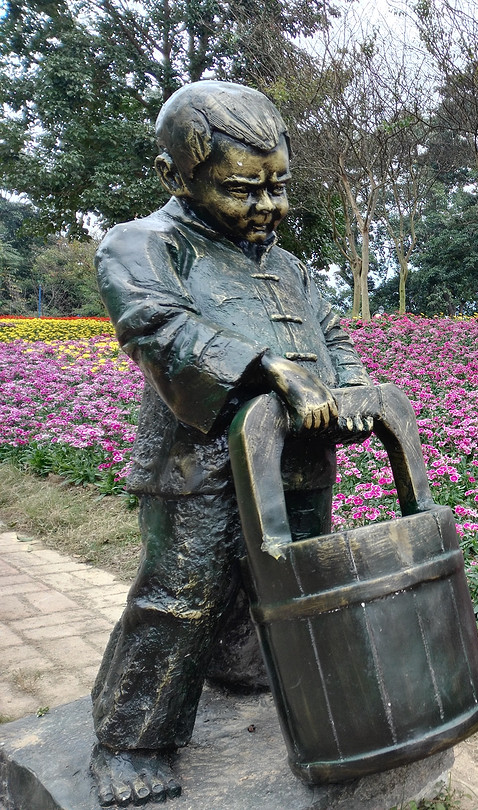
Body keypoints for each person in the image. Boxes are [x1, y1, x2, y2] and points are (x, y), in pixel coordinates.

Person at [91, 80, 372, 807]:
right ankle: (131, 740)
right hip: (198, 458)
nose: (268, 209)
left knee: (296, 585)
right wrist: (265, 369)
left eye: (277, 187)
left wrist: (353, 386)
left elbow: (331, 334)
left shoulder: (289, 263)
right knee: (182, 595)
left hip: (297, 455)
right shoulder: (144, 244)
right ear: (174, 176)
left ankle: (251, 675)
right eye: (242, 190)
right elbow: (156, 328)